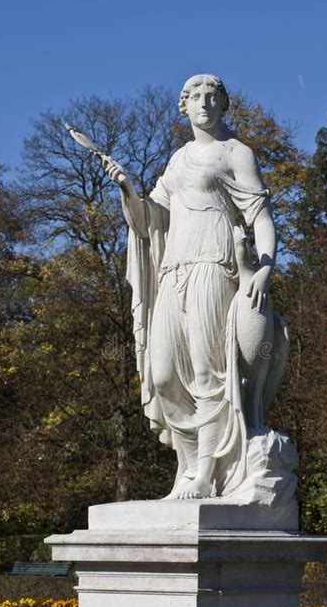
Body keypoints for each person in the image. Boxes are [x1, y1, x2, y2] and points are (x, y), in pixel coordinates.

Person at [103, 74, 281, 500]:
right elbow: (150, 221)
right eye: (195, 96)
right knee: (162, 376)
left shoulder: (236, 153)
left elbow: (261, 218)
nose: (204, 102)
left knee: (209, 374)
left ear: (223, 105)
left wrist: (264, 268)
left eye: (211, 96)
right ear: (183, 106)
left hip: (213, 267)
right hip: (173, 272)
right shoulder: (178, 160)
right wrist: (127, 189)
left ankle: (206, 474)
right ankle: (187, 469)